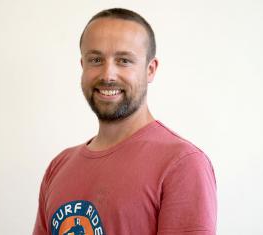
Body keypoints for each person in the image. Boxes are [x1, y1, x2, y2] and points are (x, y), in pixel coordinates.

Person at [33, 8, 217, 235]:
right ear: (83, 66)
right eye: (96, 59)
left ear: (150, 70)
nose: (108, 74)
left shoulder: (182, 164)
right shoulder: (58, 166)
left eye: (124, 60)